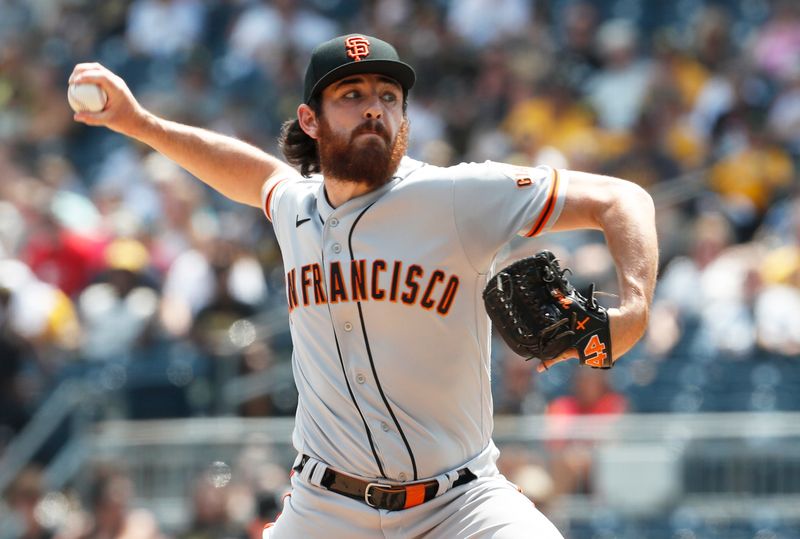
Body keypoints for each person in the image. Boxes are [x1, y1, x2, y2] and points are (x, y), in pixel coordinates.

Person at [69, 33, 658, 539]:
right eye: (351, 96)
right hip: (325, 508)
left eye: (388, 97)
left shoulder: (455, 196)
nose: (374, 108)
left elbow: (621, 198)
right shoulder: (295, 205)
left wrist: (633, 309)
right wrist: (138, 123)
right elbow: (249, 174)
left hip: (462, 504)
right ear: (310, 120)